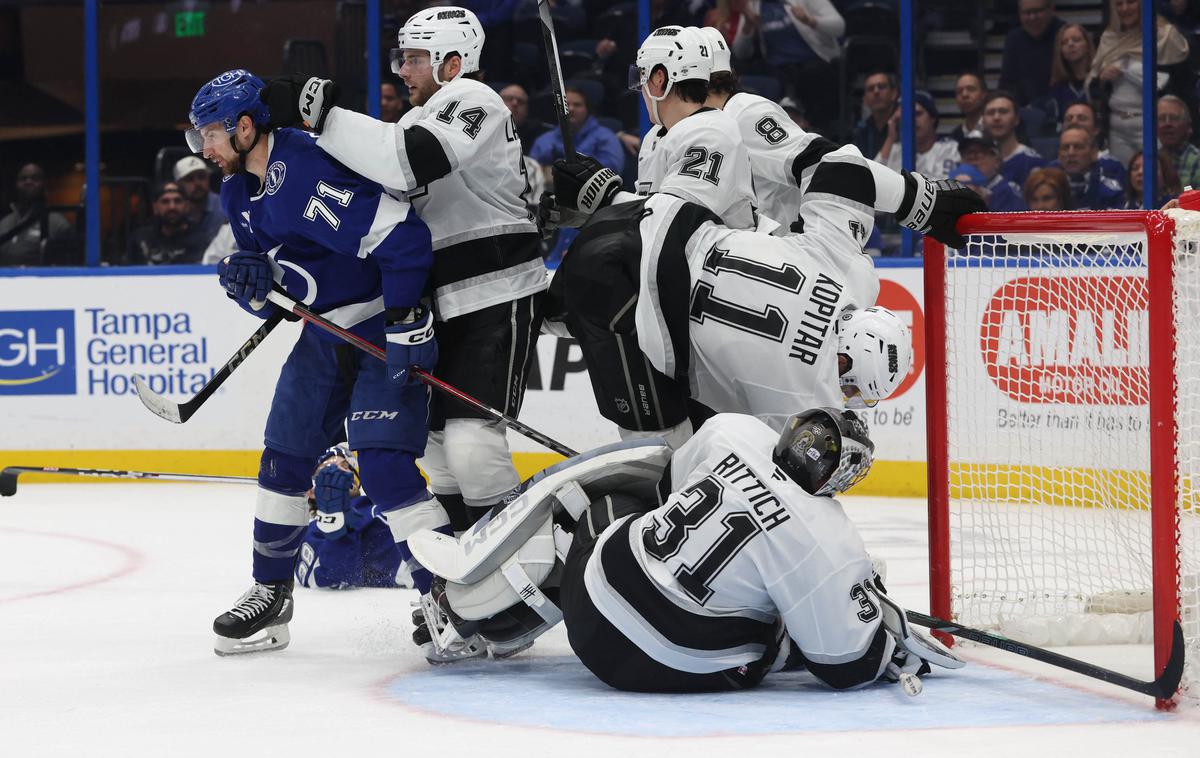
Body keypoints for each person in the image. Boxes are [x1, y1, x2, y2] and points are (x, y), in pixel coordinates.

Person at [406, 410, 963, 692]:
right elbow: (843, 666)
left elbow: (666, 484)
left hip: (588, 605)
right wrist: (880, 631)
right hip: (654, 670)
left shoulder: (734, 431)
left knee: (605, 509)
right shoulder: (829, 542)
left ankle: (469, 617)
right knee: (784, 624)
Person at [187, 69, 446, 656]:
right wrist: (250, 285)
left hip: (382, 321)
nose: (203, 148)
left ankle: (447, 598)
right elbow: (278, 291)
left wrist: (406, 317)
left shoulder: (303, 167)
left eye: (211, 134)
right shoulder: (235, 192)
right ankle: (270, 595)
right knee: (284, 454)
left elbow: (403, 239)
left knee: (381, 464)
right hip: (325, 333)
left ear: (246, 127)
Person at [262, 7, 546, 533]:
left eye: (414, 59)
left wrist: (324, 115)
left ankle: (522, 566)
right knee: (438, 449)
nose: (402, 70)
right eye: (402, 58)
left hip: (496, 293)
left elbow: (411, 160)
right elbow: (370, 201)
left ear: (454, 62)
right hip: (441, 302)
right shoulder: (417, 118)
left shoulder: (475, 100)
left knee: (471, 444)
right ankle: (465, 577)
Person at [548, 145, 913, 448]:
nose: (844, 392)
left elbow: (844, 163)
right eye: (851, 384)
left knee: (526, 310)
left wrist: (912, 198)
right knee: (667, 464)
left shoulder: (854, 273)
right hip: (619, 296)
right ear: (847, 362)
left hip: (644, 216)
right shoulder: (809, 400)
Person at [698, 26, 984, 240]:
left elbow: (825, 162)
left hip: (766, 274)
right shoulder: (673, 135)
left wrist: (915, 200)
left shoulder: (742, 112)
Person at [1087, 0, 1189, 164]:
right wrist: (1102, 78)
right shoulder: (1109, 37)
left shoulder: (1164, 35)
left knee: (1162, 176)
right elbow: (1092, 87)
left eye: (1131, 2)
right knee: (1123, 181)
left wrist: (1134, 72)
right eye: (1119, 4)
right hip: (1116, 126)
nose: (1125, 8)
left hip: (1155, 124)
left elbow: (1180, 83)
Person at [294, 445, 407, 590]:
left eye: (346, 466)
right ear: (311, 492)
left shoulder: (376, 503)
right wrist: (335, 520)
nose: (341, 472)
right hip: (426, 566)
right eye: (329, 469)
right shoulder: (315, 530)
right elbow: (331, 578)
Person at [729, 0, 844, 135]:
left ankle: (819, 131)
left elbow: (839, 27)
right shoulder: (754, 6)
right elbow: (740, 53)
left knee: (812, 75)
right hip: (776, 67)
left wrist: (810, 20)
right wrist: (748, 26)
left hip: (812, 60)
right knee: (743, 75)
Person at [530, 85, 623, 184]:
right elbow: (531, 175)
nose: (570, 109)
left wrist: (562, 170)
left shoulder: (606, 137)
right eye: (566, 105)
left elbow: (612, 171)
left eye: (577, 105)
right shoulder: (543, 140)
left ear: (587, 109)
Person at [876, 91, 960, 180]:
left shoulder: (950, 149)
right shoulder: (894, 150)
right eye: (906, 116)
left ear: (932, 118)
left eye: (917, 114)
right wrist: (890, 138)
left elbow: (946, 186)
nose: (912, 120)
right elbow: (872, 179)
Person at [0, 163, 70, 267]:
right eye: (23, 179)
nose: (28, 182)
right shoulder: (4, 222)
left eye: (35, 178)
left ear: (44, 184)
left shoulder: (57, 223)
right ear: (16, 185)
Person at [999, 0, 1067, 107]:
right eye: (1027, 12)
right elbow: (1007, 83)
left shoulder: (1066, 35)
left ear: (1051, 9)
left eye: (1037, 11)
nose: (1032, 17)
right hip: (1023, 110)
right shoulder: (1013, 39)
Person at [125, 181, 206, 265]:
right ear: (155, 207)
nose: (172, 207)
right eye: (165, 201)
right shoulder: (140, 238)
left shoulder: (200, 240)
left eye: (177, 201)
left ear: (186, 206)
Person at [982, 90, 1047, 187]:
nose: (996, 117)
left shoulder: (1033, 162)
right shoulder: (975, 163)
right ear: (983, 121)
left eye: (1003, 112)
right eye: (990, 113)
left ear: (1016, 119)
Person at [1050, 125, 1125, 209]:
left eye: (1078, 147)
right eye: (1065, 147)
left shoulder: (1111, 193)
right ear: (1059, 155)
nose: (1070, 153)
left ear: (1094, 153)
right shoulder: (1044, 190)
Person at [958, 135, 1027, 212]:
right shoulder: (956, 190)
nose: (972, 158)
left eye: (979, 153)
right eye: (967, 153)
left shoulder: (1009, 193)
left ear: (997, 161)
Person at [1060, 101, 1126, 180]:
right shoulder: (1052, 168)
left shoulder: (1112, 167)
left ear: (1096, 129)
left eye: (1082, 118)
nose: (1074, 122)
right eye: (1069, 119)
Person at [173, 155, 226, 249]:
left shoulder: (226, 206)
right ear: (178, 185)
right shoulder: (173, 210)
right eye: (189, 179)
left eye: (201, 177)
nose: (197, 183)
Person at [1046, 23, 1095, 123]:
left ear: (1088, 46)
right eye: (1064, 42)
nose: (1070, 44)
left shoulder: (1101, 81)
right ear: (1061, 51)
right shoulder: (1057, 89)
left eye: (1076, 40)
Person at [852, 70, 898, 162]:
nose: (876, 91)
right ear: (865, 99)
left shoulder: (904, 126)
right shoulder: (862, 131)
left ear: (894, 94)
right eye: (870, 89)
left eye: (881, 87)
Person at [1157, 95, 1200, 190]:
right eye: (1161, 119)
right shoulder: (1148, 160)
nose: (1167, 124)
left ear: (1187, 126)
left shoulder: (1197, 161)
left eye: (1174, 118)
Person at [500, 83, 550, 154]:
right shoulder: (484, 127)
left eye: (520, 101)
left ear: (527, 110)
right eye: (509, 99)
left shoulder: (538, 135)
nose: (515, 103)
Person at [949, 71, 987, 142]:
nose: (964, 95)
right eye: (959, 91)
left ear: (983, 94)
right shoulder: (954, 137)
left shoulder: (995, 129)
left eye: (971, 89)